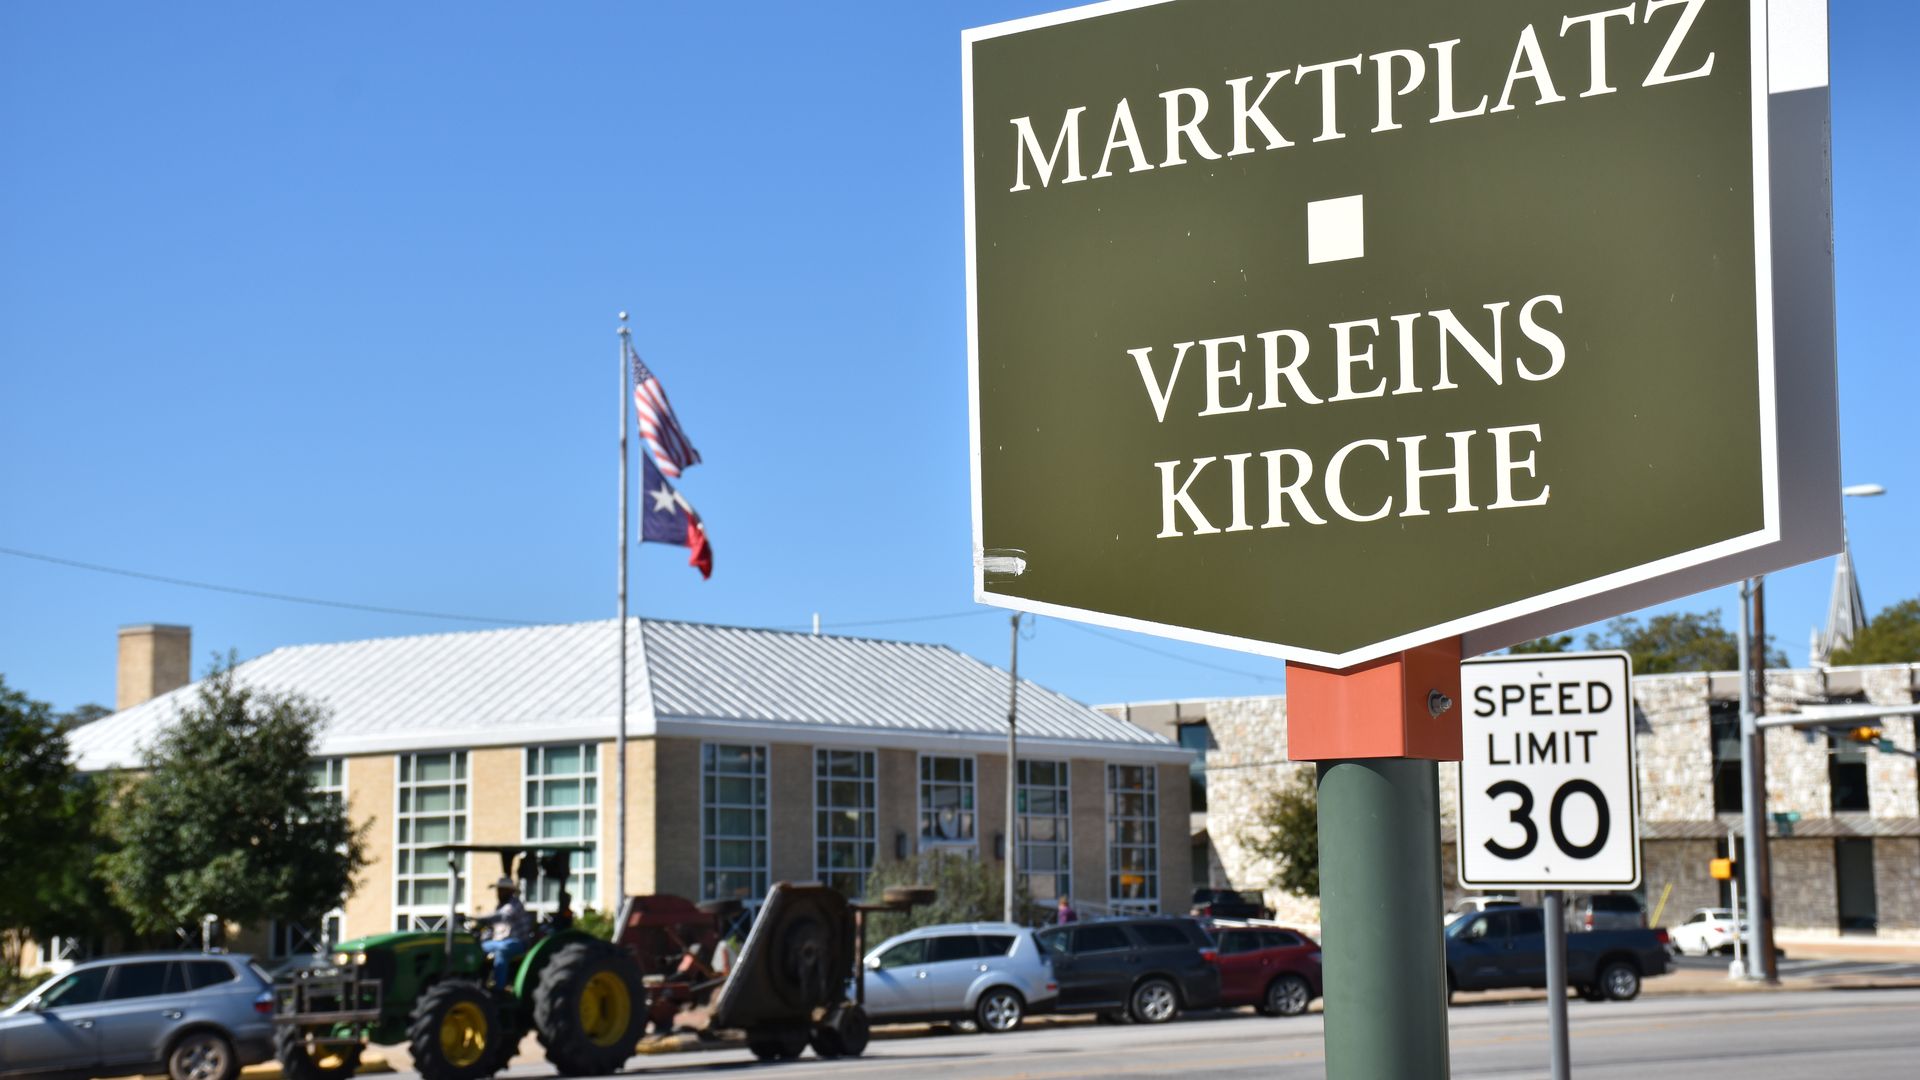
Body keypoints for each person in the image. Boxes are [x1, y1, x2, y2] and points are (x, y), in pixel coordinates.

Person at [477, 877, 532, 987]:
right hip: (498, 942)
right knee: (476, 949)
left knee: (502, 950)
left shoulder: (515, 904)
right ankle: (480, 984)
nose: (499, 893)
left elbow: (503, 916)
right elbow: (491, 928)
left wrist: (478, 918)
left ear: (510, 891)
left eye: (502, 890)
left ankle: (499, 988)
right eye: (499, 890)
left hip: (517, 943)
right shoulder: (499, 906)